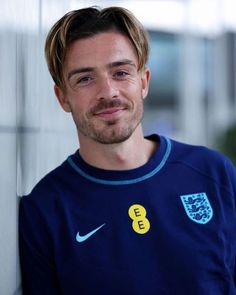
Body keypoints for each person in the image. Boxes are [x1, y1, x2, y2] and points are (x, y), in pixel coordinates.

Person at [19, 6, 236, 295]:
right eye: (85, 79)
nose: (108, 92)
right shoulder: (44, 211)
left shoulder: (212, 172)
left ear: (143, 81)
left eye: (120, 72)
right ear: (63, 97)